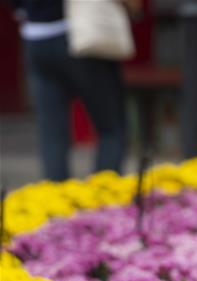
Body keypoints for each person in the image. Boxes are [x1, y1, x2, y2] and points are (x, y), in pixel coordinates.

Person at [10, 0, 137, 181]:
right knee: (111, 128)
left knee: (52, 131)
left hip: (36, 36)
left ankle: (57, 199)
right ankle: (105, 198)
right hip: (81, 31)